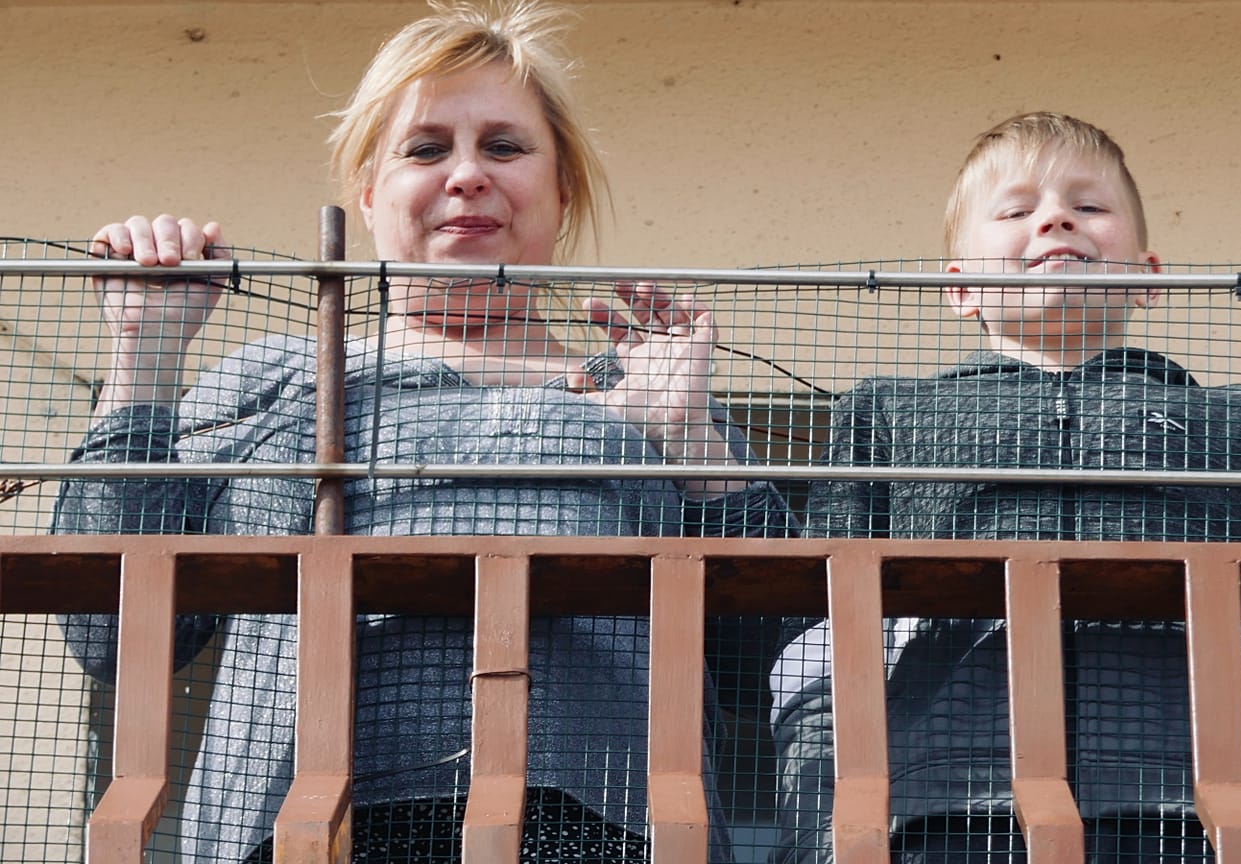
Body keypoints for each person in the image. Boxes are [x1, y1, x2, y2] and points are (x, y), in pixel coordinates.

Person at [53, 2, 790, 862]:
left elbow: (764, 662)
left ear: (563, 192)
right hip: (299, 827)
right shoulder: (278, 384)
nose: (468, 175)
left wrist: (691, 443)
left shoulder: (647, 387)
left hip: (599, 833)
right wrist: (144, 353)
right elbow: (109, 636)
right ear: (368, 196)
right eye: (427, 148)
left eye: (505, 147)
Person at [769, 112, 1241, 863]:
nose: (1056, 218)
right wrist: (819, 839)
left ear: (1149, 277)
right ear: (959, 290)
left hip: (1193, 819)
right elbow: (825, 645)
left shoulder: (1235, 421)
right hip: (941, 820)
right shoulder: (889, 415)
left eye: (1088, 207)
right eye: (1018, 210)